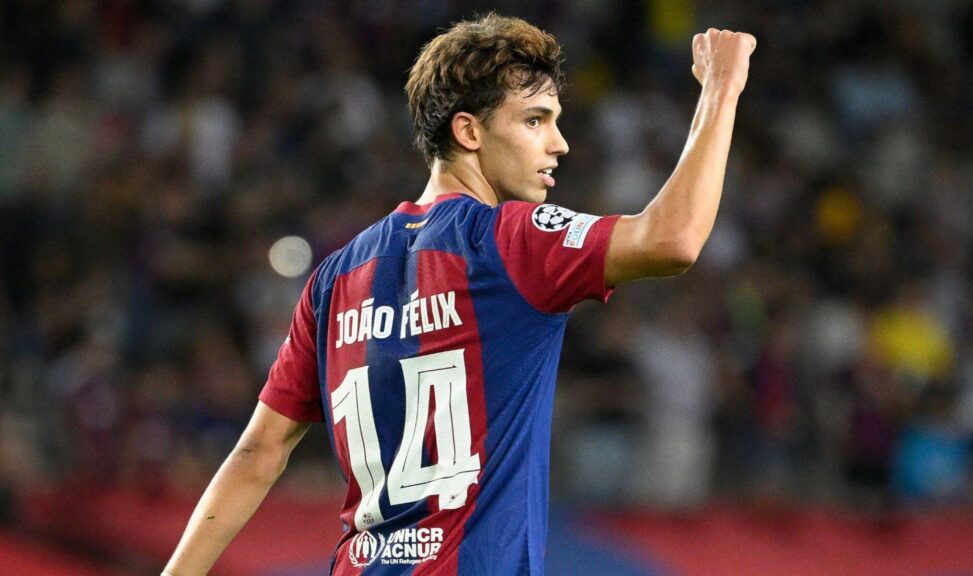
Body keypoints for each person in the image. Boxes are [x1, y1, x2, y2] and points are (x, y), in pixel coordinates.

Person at [163, 13, 755, 576]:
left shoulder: (334, 278)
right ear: (469, 131)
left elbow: (258, 454)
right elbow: (673, 239)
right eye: (535, 120)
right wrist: (721, 91)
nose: (559, 143)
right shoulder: (510, 242)